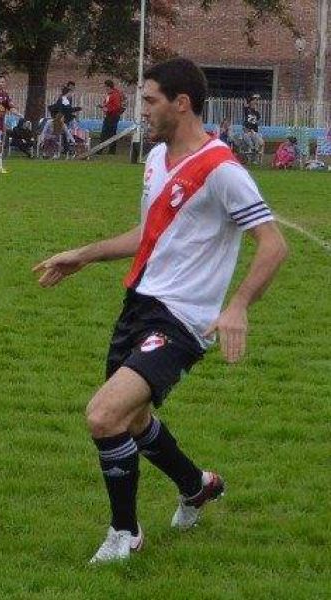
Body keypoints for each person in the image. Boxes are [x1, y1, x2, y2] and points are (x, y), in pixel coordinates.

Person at [33, 58, 288, 564]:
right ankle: (196, 486)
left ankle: (125, 533)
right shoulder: (154, 158)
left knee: (104, 415)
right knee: (131, 422)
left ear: (182, 103)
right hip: (140, 305)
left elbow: (273, 244)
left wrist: (237, 306)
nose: (142, 109)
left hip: (183, 320)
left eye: (149, 100)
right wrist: (82, 254)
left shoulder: (222, 170)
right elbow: (147, 234)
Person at [100, 79, 125, 155]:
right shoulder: (109, 94)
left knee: (107, 133)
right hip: (109, 115)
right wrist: (103, 106)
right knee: (108, 132)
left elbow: (117, 106)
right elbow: (107, 103)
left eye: (105, 86)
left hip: (113, 116)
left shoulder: (115, 94)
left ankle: (104, 150)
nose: (105, 88)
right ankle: (109, 150)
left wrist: (108, 109)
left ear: (108, 86)